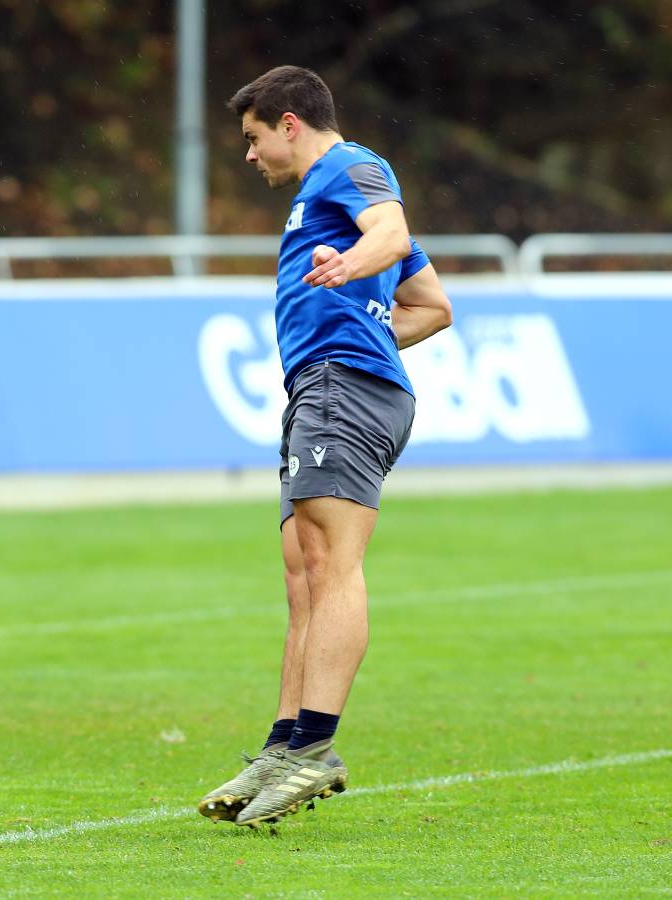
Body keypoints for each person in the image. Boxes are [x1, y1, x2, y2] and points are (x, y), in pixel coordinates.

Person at [199, 65, 453, 828]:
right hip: (323, 386)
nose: (248, 157)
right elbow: (432, 308)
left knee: (331, 566)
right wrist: (363, 304)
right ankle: (283, 745)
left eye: (252, 139)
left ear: (287, 123)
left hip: (345, 388)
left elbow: (393, 232)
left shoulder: (349, 167)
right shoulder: (324, 202)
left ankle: (314, 747)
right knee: (303, 575)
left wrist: (350, 267)